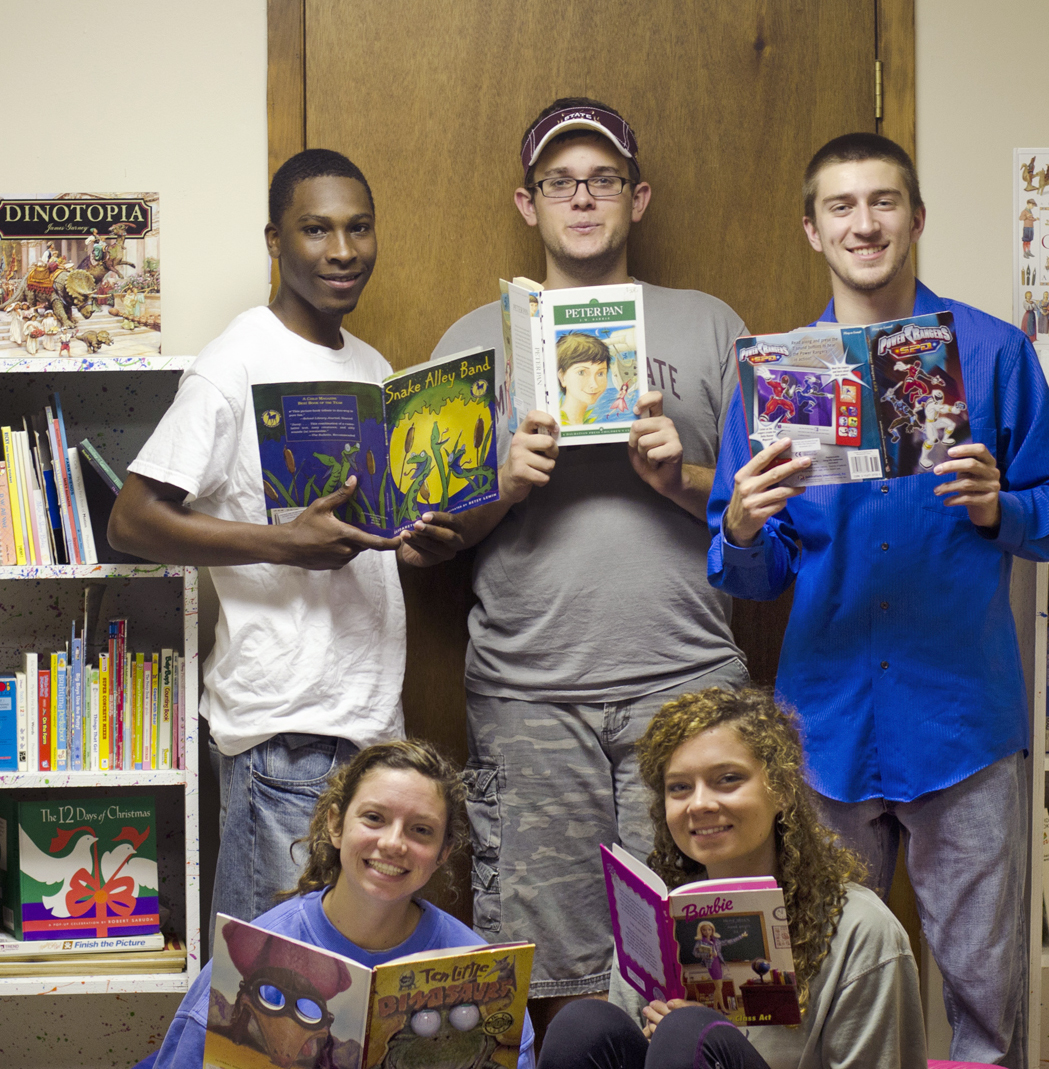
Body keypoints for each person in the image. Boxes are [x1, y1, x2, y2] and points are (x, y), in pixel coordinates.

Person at [706, 132, 1049, 1068]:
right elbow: (739, 569)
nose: (863, 223)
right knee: (809, 986)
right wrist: (749, 528)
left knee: (982, 1000)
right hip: (826, 727)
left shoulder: (994, 356)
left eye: (882, 202)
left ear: (915, 219)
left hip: (959, 718)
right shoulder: (776, 380)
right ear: (811, 229)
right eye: (840, 206)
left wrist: (1001, 503)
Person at [427, 97, 748, 1026]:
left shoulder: (710, 324)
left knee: (701, 950)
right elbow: (431, 542)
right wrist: (506, 485)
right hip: (530, 688)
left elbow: (769, 513)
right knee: (544, 955)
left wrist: (677, 474)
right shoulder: (466, 342)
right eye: (558, 182)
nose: (581, 198)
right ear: (526, 204)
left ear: (636, 197)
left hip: (683, 678)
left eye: (602, 180)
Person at [108, 149, 462, 944]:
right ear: (275, 240)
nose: (342, 250)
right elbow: (130, 519)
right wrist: (282, 543)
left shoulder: (371, 368)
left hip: (366, 721)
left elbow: (361, 534)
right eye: (316, 229)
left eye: (359, 228)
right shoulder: (234, 361)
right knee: (272, 987)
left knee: (338, 984)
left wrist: (416, 542)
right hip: (285, 731)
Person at [537, 687, 926, 1069]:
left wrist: (707, 1042)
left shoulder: (860, 928)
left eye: (727, 779)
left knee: (689, 1033)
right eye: (679, 787)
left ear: (783, 790)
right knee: (581, 1023)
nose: (701, 803)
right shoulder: (657, 921)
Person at [143, 739, 535, 1068]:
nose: (393, 843)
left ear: (443, 852)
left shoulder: (483, 971)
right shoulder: (262, 948)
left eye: (421, 830)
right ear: (335, 824)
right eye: (374, 818)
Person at [555, 330, 614, 424]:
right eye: (581, 372)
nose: (594, 385)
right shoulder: (560, 423)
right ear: (562, 377)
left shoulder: (581, 422)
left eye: (600, 374)